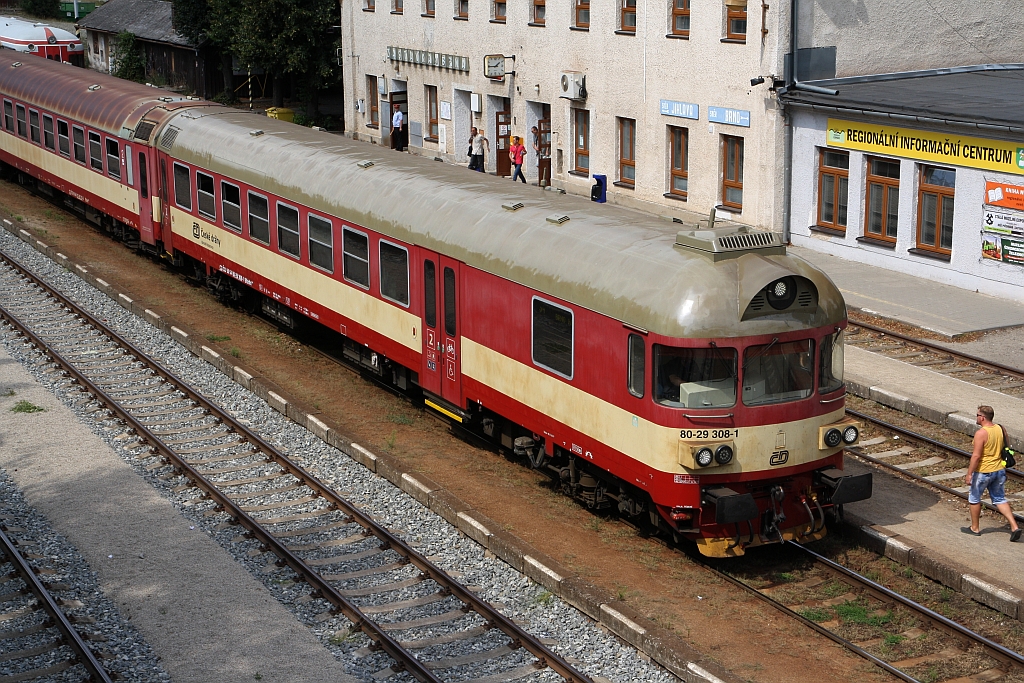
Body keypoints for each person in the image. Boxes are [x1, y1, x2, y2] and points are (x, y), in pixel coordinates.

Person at [963, 405, 1021, 541]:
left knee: (974, 498)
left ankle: (974, 528)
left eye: (977, 415)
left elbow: (976, 456)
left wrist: (969, 473)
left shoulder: (981, 433)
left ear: (982, 417)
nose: (976, 417)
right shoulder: (1000, 428)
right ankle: (1014, 526)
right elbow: (1006, 446)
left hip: (983, 472)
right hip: (999, 470)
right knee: (999, 499)